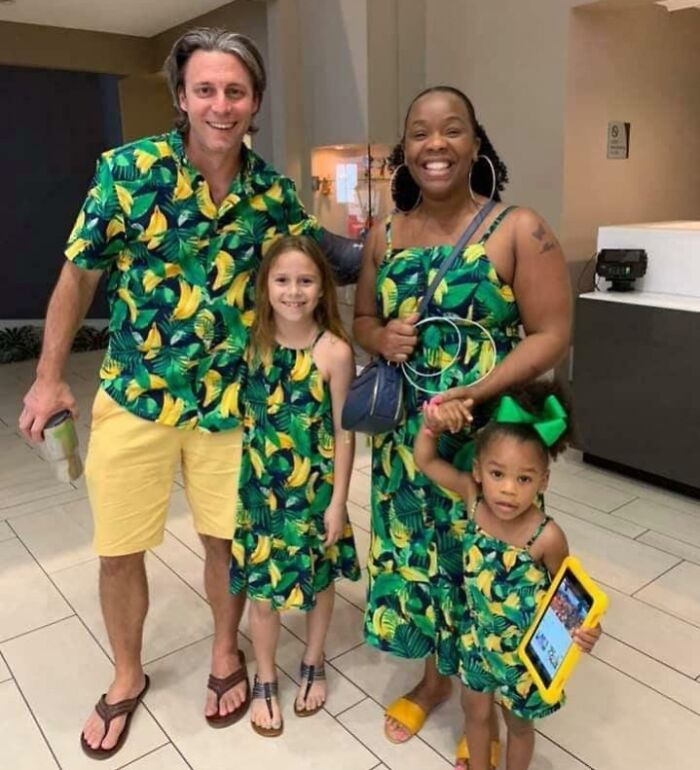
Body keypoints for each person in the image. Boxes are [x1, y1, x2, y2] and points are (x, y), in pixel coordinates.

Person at [18, 28, 360, 760]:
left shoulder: (272, 194)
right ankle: (125, 675)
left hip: (231, 407)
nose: (220, 104)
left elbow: (325, 268)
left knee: (225, 544)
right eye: (205, 89)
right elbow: (79, 274)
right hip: (135, 398)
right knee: (120, 550)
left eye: (235, 91)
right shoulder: (126, 171)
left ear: (255, 102)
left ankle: (225, 654)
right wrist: (48, 378)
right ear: (181, 97)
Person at [352, 84, 573, 757]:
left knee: (491, 558)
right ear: (404, 150)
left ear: (476, 143)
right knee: (421, 561)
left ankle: (501, 699)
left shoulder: (518, 228)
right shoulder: (384, 234)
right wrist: (381, 336)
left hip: (490, 438)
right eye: (420, 132)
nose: (435, 144)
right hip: (408, 438)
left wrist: (477, 390)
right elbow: (363, 318)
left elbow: (552, 331)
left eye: (452, 130)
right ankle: (436, 683)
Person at [415, 383, 600, 770]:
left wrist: (585, 632)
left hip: (523, 658)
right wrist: (430, 427)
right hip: (477, 641)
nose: (508, 490)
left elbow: (566, 597)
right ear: (479, 471)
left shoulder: (546, 536)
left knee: (518, 725)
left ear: (544, 482)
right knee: (475, 714)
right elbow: (426, 462)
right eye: (498, 473)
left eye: (524, 479)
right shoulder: (473, 498)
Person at [229, 235, 360, 736]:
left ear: (322, 288)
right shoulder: (252, 342)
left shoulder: (335, 352)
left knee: (319, 581)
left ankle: (312, 657)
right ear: (265, 286)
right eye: (282, 280)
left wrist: (338, 503)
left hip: (313, 495)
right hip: (261, 494)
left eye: (306, 281)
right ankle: (265, 676)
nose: (293, 292)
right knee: (262, 594)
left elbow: (344, 433)